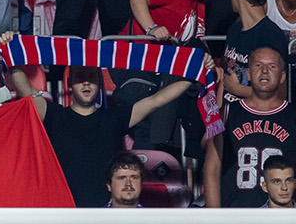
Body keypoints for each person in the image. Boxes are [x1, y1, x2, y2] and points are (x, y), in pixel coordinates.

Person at [23, 66, 193, 210]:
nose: (86, 82)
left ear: (99, 82)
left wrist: (193, 74)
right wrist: (11, 57)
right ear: (69, 83)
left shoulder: (113, 118)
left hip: (106, 216)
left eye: (91, 77)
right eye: (80, 77)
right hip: (65, 213)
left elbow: (157, 100)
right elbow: (26, 92)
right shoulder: (55, 115)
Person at [207, 48, 296, 209]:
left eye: (272, 66)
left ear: (282, 76)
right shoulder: (226, 113)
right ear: (249, 73)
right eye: (258, 65)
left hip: (279, 219)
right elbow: (212, 168)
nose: (264, 71)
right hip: (234, 217)